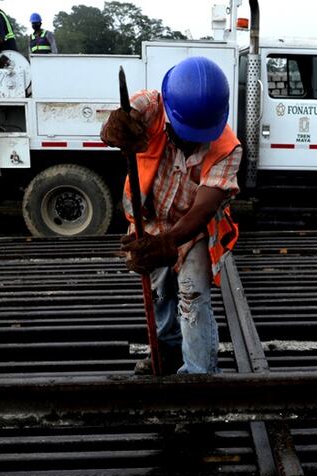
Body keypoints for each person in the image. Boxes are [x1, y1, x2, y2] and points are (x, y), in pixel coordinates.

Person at [99, 56, 242, 376]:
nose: (191, 143)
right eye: (184, 133)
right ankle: (166, 351)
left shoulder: (228, 147)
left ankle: (198, 373)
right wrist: (116, 129)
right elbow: (112, 128)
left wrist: (171, 241)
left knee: (193, 295)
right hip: (149, 221)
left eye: (198, 136)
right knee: (160, 292)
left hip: (194, 232)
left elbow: (204, 208)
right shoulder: (150, 106)